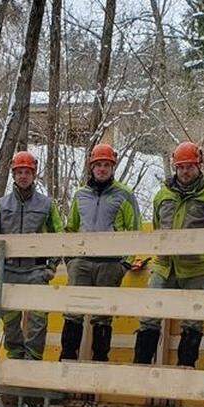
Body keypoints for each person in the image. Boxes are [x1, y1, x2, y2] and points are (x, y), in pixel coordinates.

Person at [133, 141, 204, 368]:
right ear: (175, 167)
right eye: (181, 167)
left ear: (199, 167)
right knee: (149, 317)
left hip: (197, 268)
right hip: (164, 265)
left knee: (193, 322)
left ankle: (185, 370)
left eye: (190, 166)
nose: (185, 171)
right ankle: (140, 368)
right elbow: (157, 228)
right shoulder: (162, 196)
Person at [0, 150, 63, 360]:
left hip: (36, 272)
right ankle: (15, 362)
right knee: (10, 323)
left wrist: (51, 267)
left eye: (27, 172)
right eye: (19, 172)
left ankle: (32, 364)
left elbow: (60, 237)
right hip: (8, 271)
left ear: (34, 174)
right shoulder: (0, 205)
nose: (23, 176)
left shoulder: (47, 205)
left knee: (38, 321)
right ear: (13, 174)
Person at [60, 143, 140, 362]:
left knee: (102, 316)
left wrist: (124, 264)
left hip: (110, 264)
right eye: (98, 165)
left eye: (106, 165)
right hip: (81, 262)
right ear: (91, 168)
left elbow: (135, 230)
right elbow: (71, 227)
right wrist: (70, 260)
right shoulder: (80, 195)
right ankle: (67, 360)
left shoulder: (125, 195)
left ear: (112, 167)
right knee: (73, 311)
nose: (102, 169)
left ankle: (99, 362)